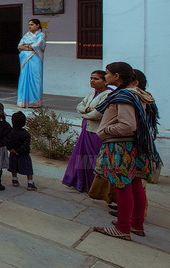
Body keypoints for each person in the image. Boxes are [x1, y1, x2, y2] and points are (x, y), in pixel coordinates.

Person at [93, 62, 161, 241]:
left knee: (122, 185)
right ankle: (136, 224)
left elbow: (127, 125)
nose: (106, 77)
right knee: (135, 184)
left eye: (107, 74)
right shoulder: (140, 94)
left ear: (117, 77)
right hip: (137, 145)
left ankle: (123, 227)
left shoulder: (124, 95)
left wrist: (104, 131)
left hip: (121, 146)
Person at [62, 70, 111, 192]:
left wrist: (84, 114)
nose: (92, 81)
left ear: (105, 81)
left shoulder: (108, 95)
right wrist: (87, 109)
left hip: (97, 132)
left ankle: (94, 186)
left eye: (96, 79)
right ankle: (82, 183)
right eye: (91, 78)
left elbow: (97, 114)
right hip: (87, 129)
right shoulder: (91, 94)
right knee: (83, 157)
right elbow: (79, 106)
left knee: (94, 158)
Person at [17, 19, 46, 108]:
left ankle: (35, 102)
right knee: (24, 78)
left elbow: (37, 45)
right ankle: (23, 101)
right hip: (26, 60)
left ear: (38, 25)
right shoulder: (26, 35)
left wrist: (27, 46)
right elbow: (19, 46)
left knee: (36, 79)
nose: (29, 26)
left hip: (36, 59)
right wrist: (30, 47)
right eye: (29, 24)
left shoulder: (41, 35)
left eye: (32, 24)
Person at [8, 111, 36, 190]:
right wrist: (19, 151)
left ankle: (15, 180)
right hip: (23, 154)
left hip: (13, 152)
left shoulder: (10, 132)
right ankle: (30, 183)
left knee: (13, 167)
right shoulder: (26, 134)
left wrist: (11, 149)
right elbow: (26, 145)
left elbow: (8, 141)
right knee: (28, 169)